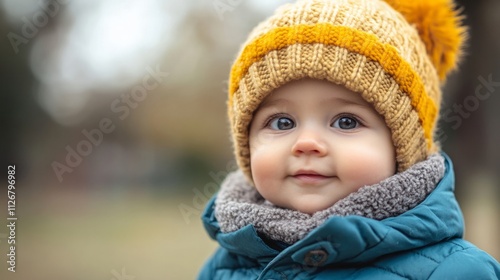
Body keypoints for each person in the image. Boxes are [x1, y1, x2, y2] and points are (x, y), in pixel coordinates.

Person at [198, 0, 500, 278]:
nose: (306, 143)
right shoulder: (227, 263)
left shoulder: (458, 271)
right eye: (282, 122)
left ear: (402, 148)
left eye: (346, 121)